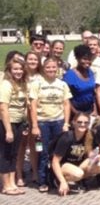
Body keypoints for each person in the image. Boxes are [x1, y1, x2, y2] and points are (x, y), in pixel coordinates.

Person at [29, 57, 72, 192]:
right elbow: (33, 106)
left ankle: (56, 179)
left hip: (58, 121)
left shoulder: (62, 84)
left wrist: (66, 123)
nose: (51, 70)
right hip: (43, 122)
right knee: (43, 152)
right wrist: (35, 126)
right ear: (43, 68)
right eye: (48, 67)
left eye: (54, 67)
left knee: (58, 153)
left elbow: (66, 104)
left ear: (57, 68)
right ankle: (42, 181)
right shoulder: (37, 84)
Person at [51, 112, 100, 196]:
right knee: (78, 174)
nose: (82, 124)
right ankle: (58, 181)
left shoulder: (89, 135)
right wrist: (62, 181)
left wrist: (94, 158)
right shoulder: (67, 137)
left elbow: (90, 153)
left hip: (78, 164)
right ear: (73, 123)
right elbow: (55, 162)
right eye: (79, 122)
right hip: (64, 164)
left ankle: (81, 180)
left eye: (86, 122)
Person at [0, 57, 28, 195]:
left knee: (14, 153)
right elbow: (3, 108)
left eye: (20, 69)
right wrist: (8, 130)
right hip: (7, 123)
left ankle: (12, 182)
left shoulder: (21, 84)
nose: (18, 71)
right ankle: (5, 185)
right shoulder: (6, 84)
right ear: (10, 70)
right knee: (5, 154)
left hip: (19, 122)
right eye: (15, 69)